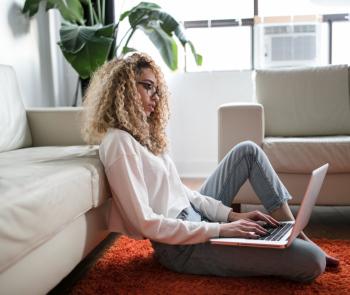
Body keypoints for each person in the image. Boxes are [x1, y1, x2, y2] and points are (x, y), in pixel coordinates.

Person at [81, 52, 339, 283]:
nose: (156, 98)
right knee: (312, 262)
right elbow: (146, 223)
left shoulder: (143, 136)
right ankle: (295, 242)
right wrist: (220, 229)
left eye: (157, 90)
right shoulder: (118, 143)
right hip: (181, 247)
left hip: (196, 218)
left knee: (247, 151)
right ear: (123, 89)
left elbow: (183, 193)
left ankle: (294, 232)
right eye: (148, 87)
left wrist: (230, 216)